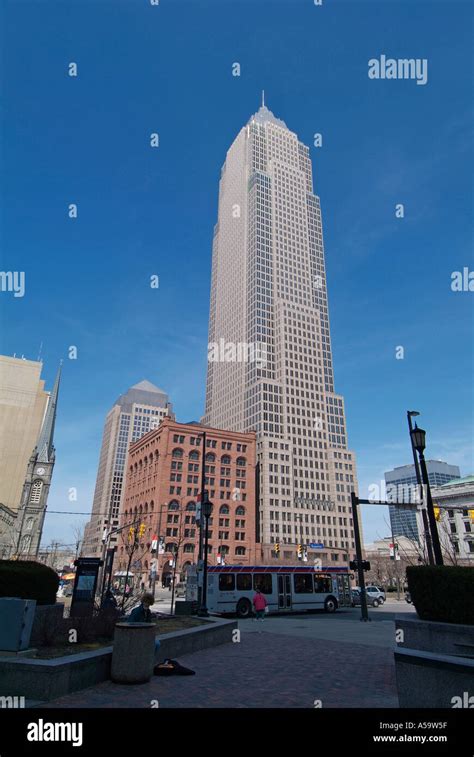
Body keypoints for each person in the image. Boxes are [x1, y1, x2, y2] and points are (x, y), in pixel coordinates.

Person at [128, 592, 161, 658]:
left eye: (148, 604)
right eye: (146, 603)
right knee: (154, 644)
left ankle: (151, 659)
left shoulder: (148, 612)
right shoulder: (136, 611)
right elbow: (130, 624)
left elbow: (149, 624)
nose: (147, 605)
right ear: (143, 602)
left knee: (157, 644)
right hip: (136, 634)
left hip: (145, 634)